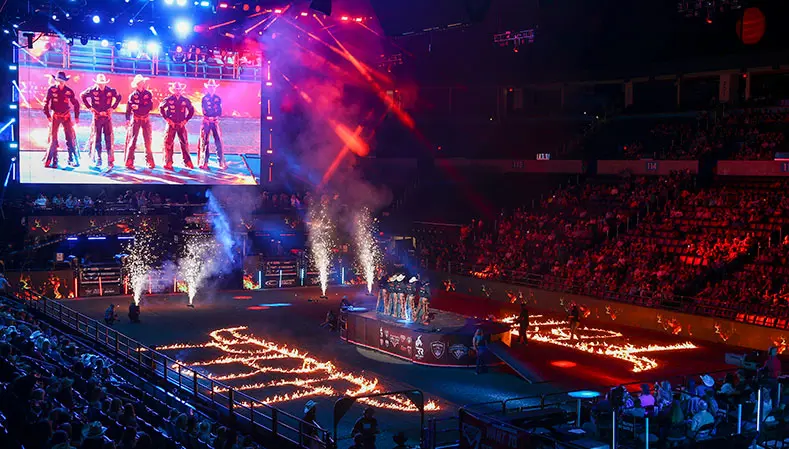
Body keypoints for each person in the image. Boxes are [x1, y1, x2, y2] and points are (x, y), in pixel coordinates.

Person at [81, 73, 122, 169]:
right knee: (97, 138)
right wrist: (90, 107)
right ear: (97, 83)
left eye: (102, 83)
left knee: (108, 138)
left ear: (105, 83)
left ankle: (109, 159)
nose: (101, 85)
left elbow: (119, 97)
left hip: (107, 118)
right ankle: (99, 157)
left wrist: (113, 107)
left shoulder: (111, 91)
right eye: (99, 83)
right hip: (97, 117)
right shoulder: (92, 90)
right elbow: (82, 96)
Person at [43, 71, 81, 168]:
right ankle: (54, 159)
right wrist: (47, 115)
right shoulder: (51, 90)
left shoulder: (69, 91)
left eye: (62, 81)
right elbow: (46, 102)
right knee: (53, 138)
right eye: (58, 81)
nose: (60, 83)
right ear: (56, 80)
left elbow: (76, 104)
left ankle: (71, 158)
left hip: (66, 116)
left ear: (65, 81)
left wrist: (76, 116)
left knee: (69, 137)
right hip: (55, 116)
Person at [159, 82, 195, 170]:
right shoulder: (168, 99)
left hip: (181, 124)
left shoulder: (185, 100)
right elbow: (161, 108)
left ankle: (187, 161)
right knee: (168, 143)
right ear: (173, 90)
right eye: (176, 89)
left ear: (181, 90)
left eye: (179, 90)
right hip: (171, 124)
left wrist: (186, 120)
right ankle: (168, 161)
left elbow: (191, 110)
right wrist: (167, 119)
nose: (177, 91)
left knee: (184, 142)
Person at [124, 75, 155, 169]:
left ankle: (149, 160)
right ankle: (129, 160)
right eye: (138, 83)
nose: (140, 84)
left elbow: (151, 107)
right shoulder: (132, 96)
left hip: (145, 119)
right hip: (136, 119)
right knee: (133, 140)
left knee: (148, 140)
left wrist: (139, 107)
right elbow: (128, 108)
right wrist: (127, 119)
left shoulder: (148, 94)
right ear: (136, 84)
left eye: (141, 82)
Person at [198, 79, 226, 170]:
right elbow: (204, 109)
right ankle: (204, 161)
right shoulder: (204, 98)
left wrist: (215, 117)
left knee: (218, 141)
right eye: (210, 87)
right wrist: (208, 117)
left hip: (215, 121)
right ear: (207, 88)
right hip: (206, 121)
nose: (211, 88)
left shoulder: (218, 98)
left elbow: (220, 110)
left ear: (215, 88)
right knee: (205, 141)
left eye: (213, 87)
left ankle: (221, 161)